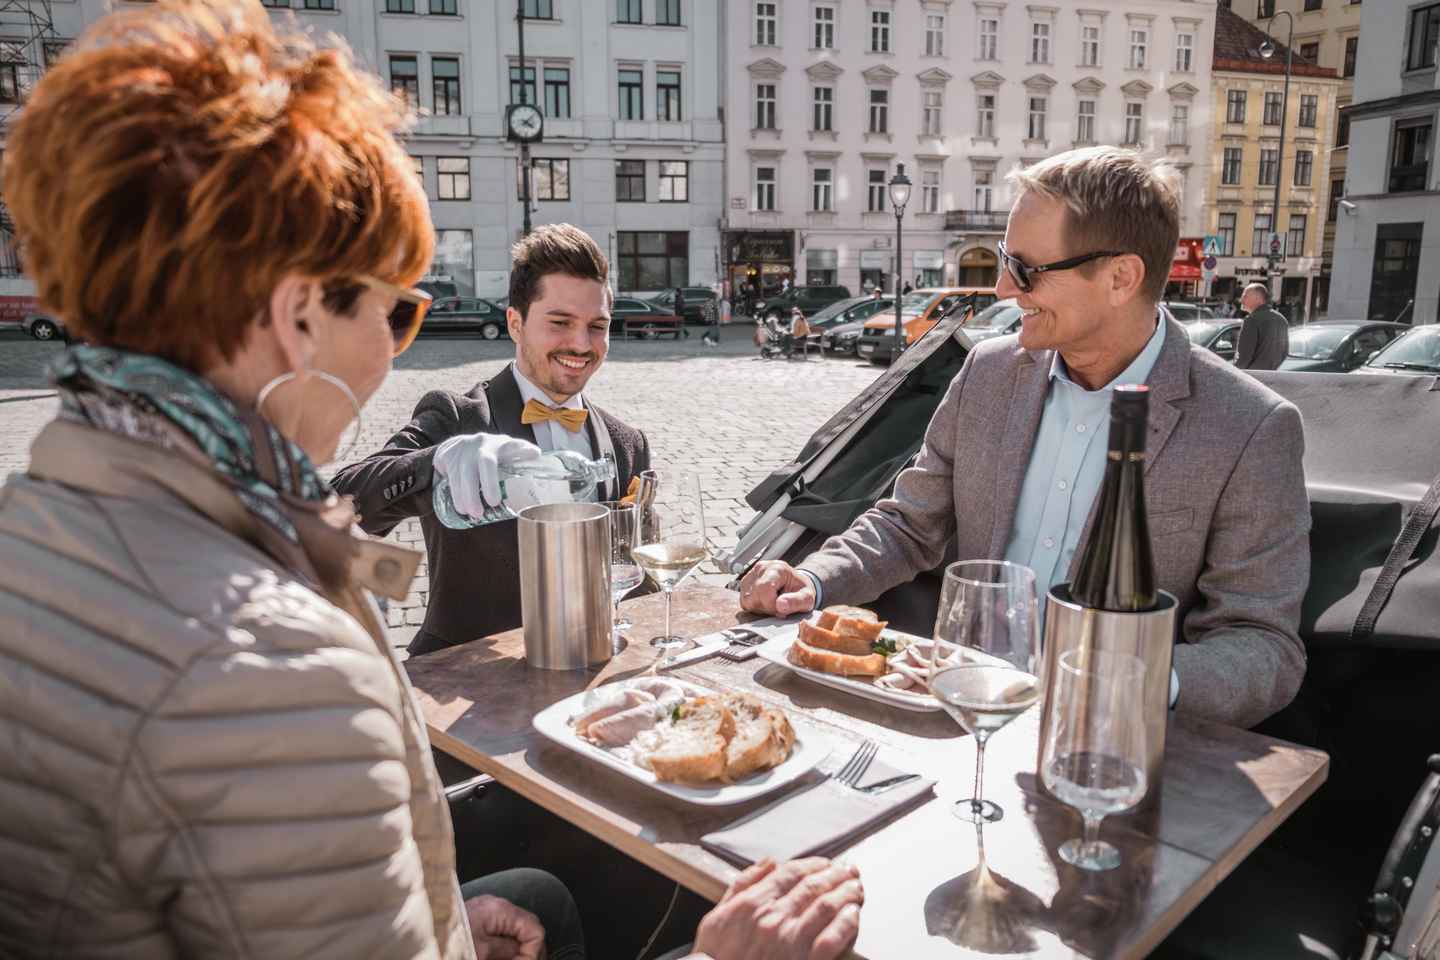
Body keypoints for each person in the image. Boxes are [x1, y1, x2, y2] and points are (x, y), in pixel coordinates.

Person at [0, 5, 865, 959]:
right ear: (296, 318)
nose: (391, 350)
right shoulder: (273, 663)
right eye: (398, 311)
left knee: (543, 890)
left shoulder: (43, 513)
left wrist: (446, 910)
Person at [739, 146, 1310, 730]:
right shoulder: (988, 372)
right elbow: (909, 524)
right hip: (958, 709)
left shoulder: (1249, 426)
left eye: (1027, 269)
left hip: (1107, 744)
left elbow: (1263, 646)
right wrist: (813, 579)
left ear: (1121, 277)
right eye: (1008, 262)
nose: (1004, 289)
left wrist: (1132, 681)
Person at [332, 224, 651, 657]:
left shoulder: (628, 443)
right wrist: (436, 461)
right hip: (468, 678)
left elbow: (640, 579)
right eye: (560, 322)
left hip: (592, 671)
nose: (581, 343)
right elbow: (345, 498)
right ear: (515, 323)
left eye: (597, 326)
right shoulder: (458, 416)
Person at [1235, 282, 1289, 371]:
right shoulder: (1282, 319)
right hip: (1271, 376)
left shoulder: (1252, 320)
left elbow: (1244, 358)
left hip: (1251, 377)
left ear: (1257, 298)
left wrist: (1234, 376)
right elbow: (1284, 353)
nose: (1241, 300)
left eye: (1245, 296)